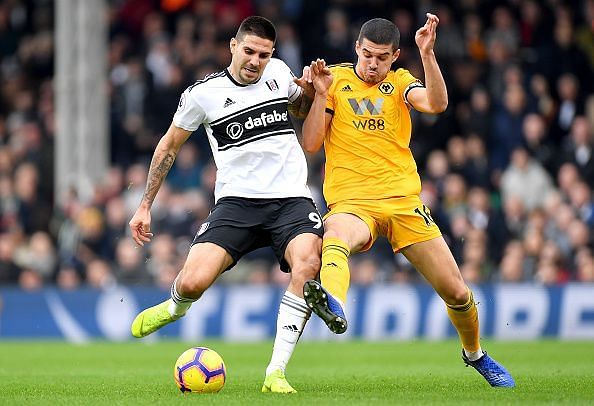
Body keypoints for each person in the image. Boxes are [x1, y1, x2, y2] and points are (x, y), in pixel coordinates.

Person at [301, 15, 515, 388]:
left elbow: (436, 103)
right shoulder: (333, 80)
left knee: (458, 292)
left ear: (395, 56)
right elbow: (311, 144)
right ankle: (333, 302)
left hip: (403, 202)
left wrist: (428, 55)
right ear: (356, 48)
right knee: (334, 234)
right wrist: (319, 95)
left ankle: (475, 353)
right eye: (367, 55)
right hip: (353, 201)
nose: (372, 64)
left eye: (382, 58)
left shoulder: (400, 82)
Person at [128, 16, 323, 394]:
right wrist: (144, 205)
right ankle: (173, 308)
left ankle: (276, 373)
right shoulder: (203, 94)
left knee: (308, 263)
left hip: (291, 200)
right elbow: (168, 146)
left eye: (264, 55)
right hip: (237, 204)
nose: (255, 61)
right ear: (233, 47)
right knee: (193, 281)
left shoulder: (280, 73)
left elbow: (302, 110)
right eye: (249, 51)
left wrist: (314, 92)